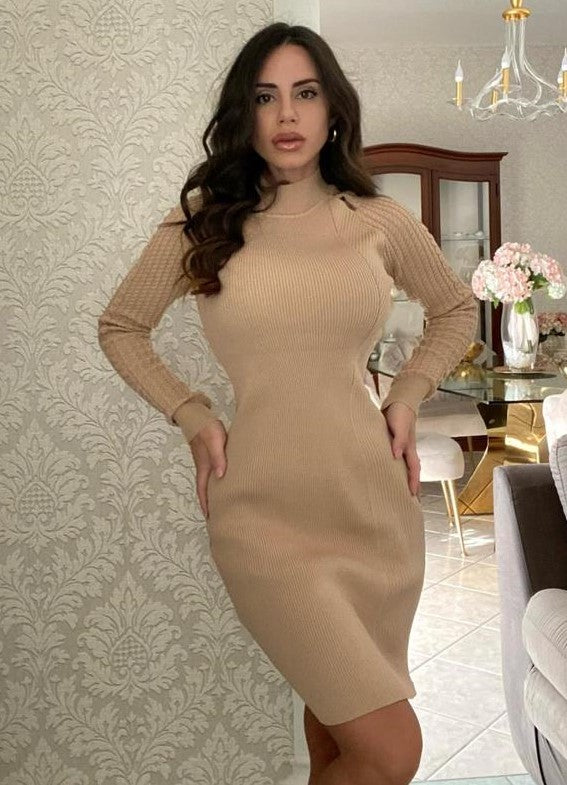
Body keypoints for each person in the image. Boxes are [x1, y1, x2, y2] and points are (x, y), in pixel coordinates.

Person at [98, 22, 478, 785]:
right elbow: (121, 326)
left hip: (370, 508)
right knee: (390, 750)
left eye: (304, 93)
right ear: (244, 113)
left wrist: (406, 396)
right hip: (263, 517)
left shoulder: (376, 220)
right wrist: (193, 414)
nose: (286, 115)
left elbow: (455, 309)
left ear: (332, 108)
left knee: (338, 742)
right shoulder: (204, 219)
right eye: (265, 97)